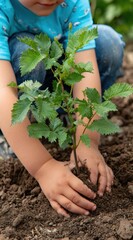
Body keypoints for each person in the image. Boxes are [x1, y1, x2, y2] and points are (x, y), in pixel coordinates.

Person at [0, 0, 125, 217]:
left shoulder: (73, 2)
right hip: (11, 92)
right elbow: (3, 90)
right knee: (27, 50)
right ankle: (11, 139)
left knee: (106, 43)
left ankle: (65, 122)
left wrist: (87, 141)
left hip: (52, 85)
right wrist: (43, 167)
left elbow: (84, 73)